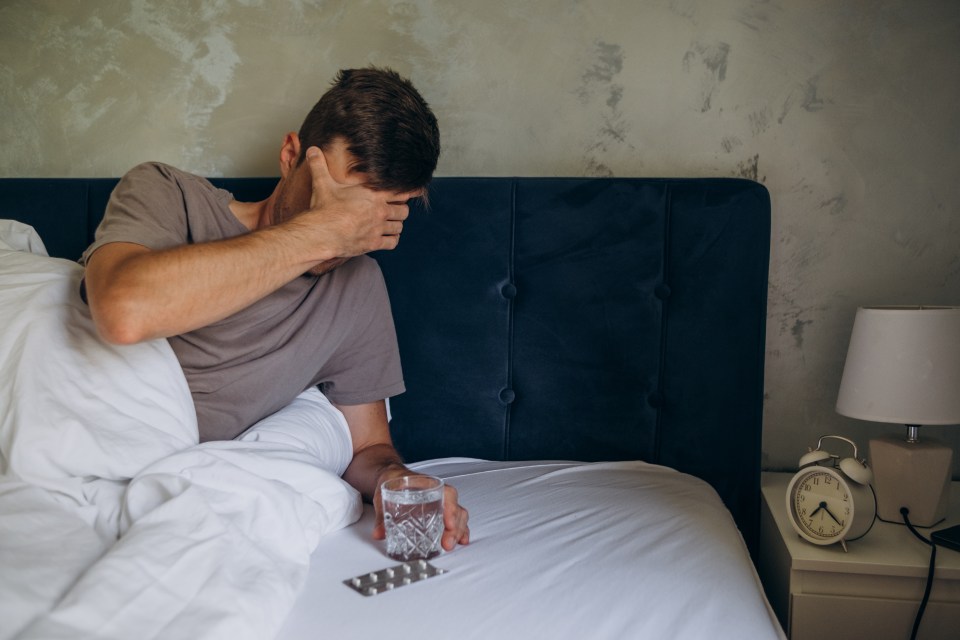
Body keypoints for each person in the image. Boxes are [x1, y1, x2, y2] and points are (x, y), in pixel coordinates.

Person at [80, 67, 469, 553]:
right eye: (342, 205)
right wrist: (321, 231)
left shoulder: (357, 288)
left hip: (207, 499)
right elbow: (124, 311)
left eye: (377, 217)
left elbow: (368, 446)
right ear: (291, 156)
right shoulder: (169, 194)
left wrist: (395, 481)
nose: (353, 235)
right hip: (88, 456)